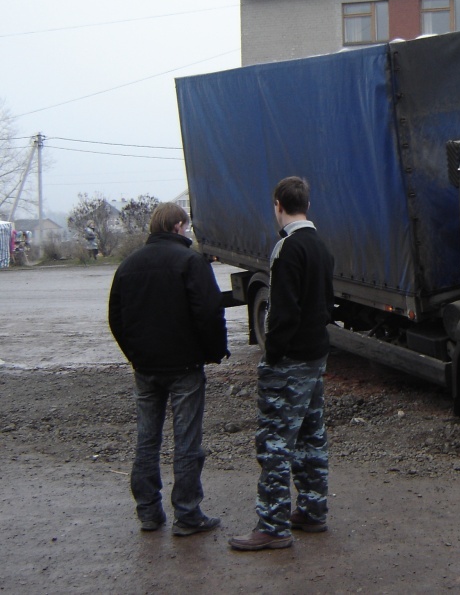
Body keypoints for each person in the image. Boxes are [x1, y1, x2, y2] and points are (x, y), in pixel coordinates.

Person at [108, 202, 228, 537]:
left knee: (147, 439)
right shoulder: (191, 262)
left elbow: (116, 318)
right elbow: (208, 312)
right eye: (187, 226)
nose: (188, 232)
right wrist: (214, 352)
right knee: (187, 441)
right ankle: (187, 514)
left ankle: (148, 512)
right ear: (177, 226)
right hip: (185, 366)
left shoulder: (128, 265)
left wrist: (135, 354)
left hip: (145, 367)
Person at [229, 176, 334, 551]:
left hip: (289, 361)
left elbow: (283, 312)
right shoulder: (321, 246)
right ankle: (312, 509)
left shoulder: (286, 249)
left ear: (278, 205)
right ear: (306, 203)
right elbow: (326, 301)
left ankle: (272, 526)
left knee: (274, 442)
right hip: (316, 355)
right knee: (310, 434)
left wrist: (271, 354)